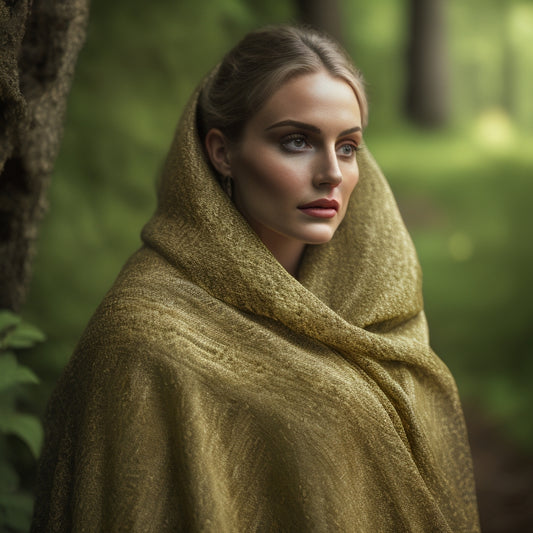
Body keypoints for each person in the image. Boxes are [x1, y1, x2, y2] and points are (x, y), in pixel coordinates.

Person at [31, 25, 480, 532]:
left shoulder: (374, 301)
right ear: (222, 152)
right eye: (296, 141)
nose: (331, 172)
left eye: (348, 147)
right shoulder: (140, 339)